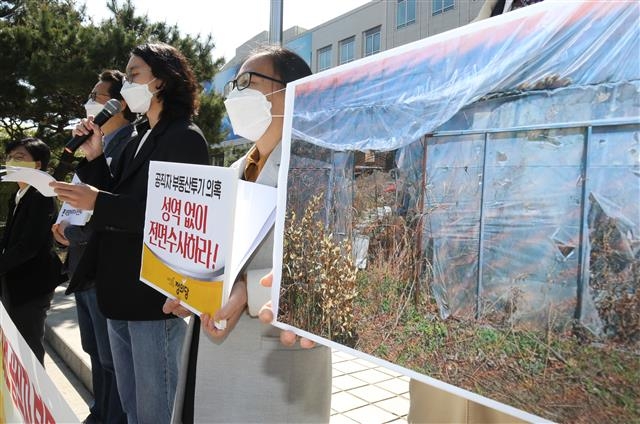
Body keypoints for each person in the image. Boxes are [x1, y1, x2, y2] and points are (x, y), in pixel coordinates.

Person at [164, 46, 332, 423]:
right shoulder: (234, 170)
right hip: (207, 352)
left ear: (291, 92)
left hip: (272, 368)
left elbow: (332, 273)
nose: (235, 94)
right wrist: (191, 284)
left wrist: (248, 292)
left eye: (248, 83)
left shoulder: (317, 168)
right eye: (233, 85)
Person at [50, 43, 210, 424]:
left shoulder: (185, 137)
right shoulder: (139, 138)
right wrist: (93, 156)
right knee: (133, 410)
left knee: (157, 411)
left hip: (151, 298)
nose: (127, 85)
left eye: (135, 74)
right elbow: (115, 195)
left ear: (163, 80)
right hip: (117, 291)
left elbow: (172, 217)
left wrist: (98, 202)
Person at [52, 69, 134, 424]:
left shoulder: (130, 145)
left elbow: (120, 212)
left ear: (120, 104)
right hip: (83, 268)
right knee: (96, 353)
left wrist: (74, 235)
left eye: (98, 97)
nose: (90, 102)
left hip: (106, 270)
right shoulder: (94, 148)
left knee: (112, 360)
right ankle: (99, 412)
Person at [0, 137, 64, 364]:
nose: (11, 162)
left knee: (28, 347)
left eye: (20, 157)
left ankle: (35, 398)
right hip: (14, 280)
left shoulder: (41, 195)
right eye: (9, 157)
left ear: (37, 165)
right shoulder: (19, 195)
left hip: (32, 283)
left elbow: (29, 246)